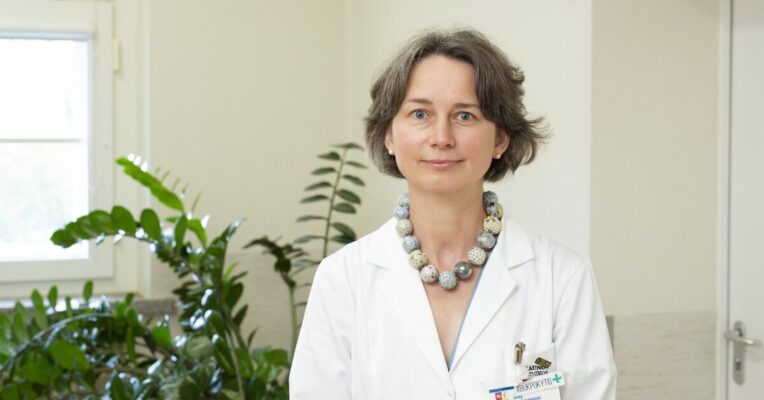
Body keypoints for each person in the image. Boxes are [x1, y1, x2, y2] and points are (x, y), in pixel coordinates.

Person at [290, 28, 616, 399]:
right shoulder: (342, 279)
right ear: (389, 136)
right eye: (420, 114)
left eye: (464, 115)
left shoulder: (563, 279)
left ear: (500, 138)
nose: (441, 137)